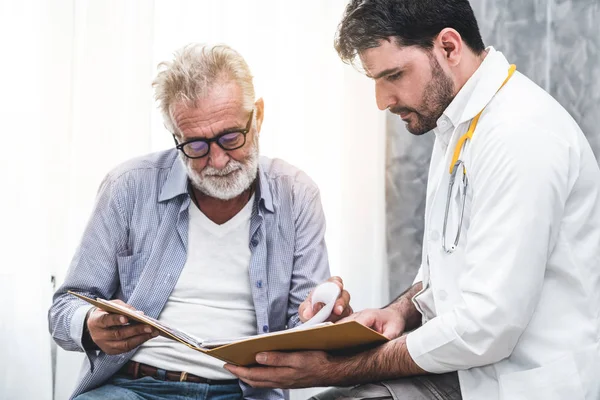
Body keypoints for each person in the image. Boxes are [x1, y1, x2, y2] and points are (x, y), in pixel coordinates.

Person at [224, 1, 600, 399]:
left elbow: (487, 328)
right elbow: (447, 273)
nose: (382, 100)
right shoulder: (458, 121)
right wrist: (400, 312)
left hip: (523, 383)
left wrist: (336, 369)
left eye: (394, 75)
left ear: (449, 47)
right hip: (470, 372)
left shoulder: (519, 135)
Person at [48, 43, 351, 400]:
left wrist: (321, 317)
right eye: (196, 146)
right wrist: (90, 324)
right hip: (132, 387)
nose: (219, 161)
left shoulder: (296, 194)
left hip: (243, 392)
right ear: (176, 136)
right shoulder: (128, 186)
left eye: (231, 137)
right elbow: (64, 309)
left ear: (259, 116)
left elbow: (306, 327)